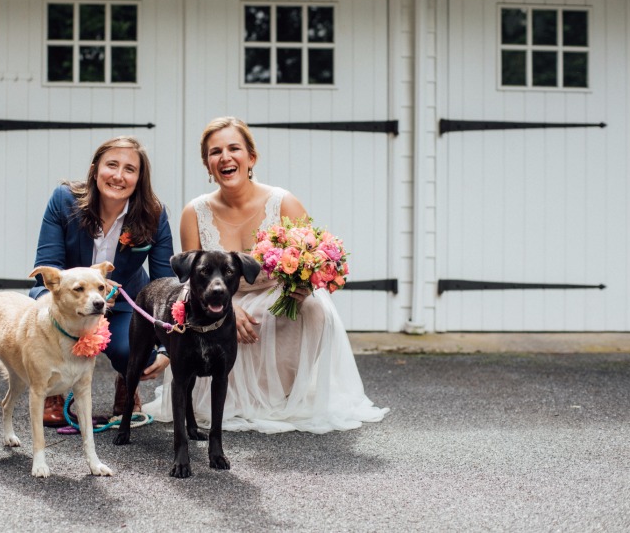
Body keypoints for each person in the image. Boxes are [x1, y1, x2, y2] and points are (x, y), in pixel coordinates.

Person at [143, 117, 389, 433]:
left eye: (234, 148)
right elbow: (189, 281)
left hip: (274, 294)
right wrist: (229, 308)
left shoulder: (283, 202)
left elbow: (313, 260)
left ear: (251, 158)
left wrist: (304, 287)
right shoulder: (195, 212)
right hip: (218, 300)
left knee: (316, 308)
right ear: (208, 165)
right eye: (215, 152)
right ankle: (228, 398)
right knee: (215, 318)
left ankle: (284, 395)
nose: (225, 157)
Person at [30, 136, 173, 427]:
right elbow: (49, 265)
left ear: (139, 178)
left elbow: (165, 285)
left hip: (121, 306)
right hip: (67, 301)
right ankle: (53, 389)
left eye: (130, 169)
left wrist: (165, 347)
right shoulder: (64, 200)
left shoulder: (153, 214)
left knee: (139, 356)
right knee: (38, 309)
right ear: (96, 170)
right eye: (112, 165)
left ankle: (127, 380)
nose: (119, 176)